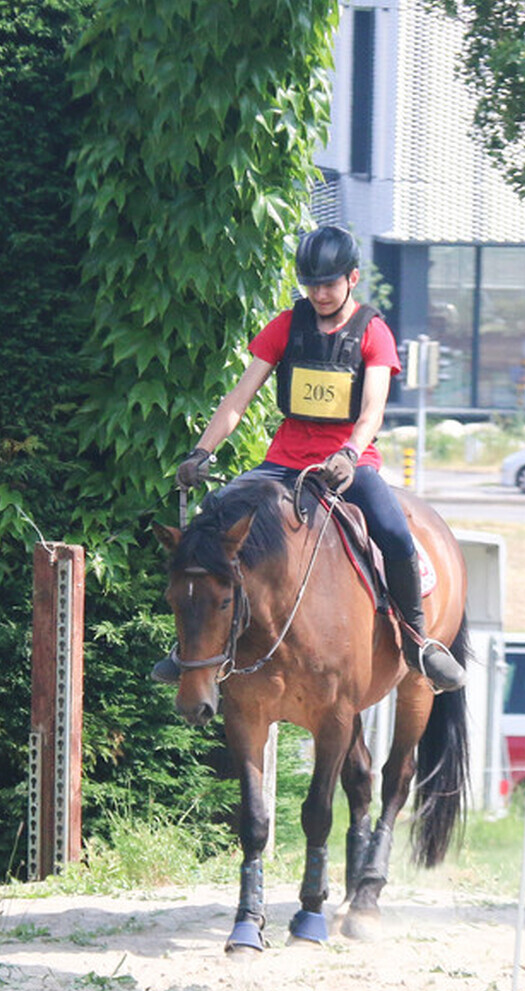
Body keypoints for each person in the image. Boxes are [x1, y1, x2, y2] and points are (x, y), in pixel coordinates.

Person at [153, 225, 466, 693]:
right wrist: (202, 451)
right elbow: (239, 398)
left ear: (352, 279)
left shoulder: (373, 333)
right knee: (211, 517)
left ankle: (419, 641)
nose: (319, 293)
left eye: (329, 283)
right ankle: (192, 648)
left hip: (346, 464)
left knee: (397, 534)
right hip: (283, 462)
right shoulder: (286, 326)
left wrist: (350, 452)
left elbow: (373, 411)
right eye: (311, 284)